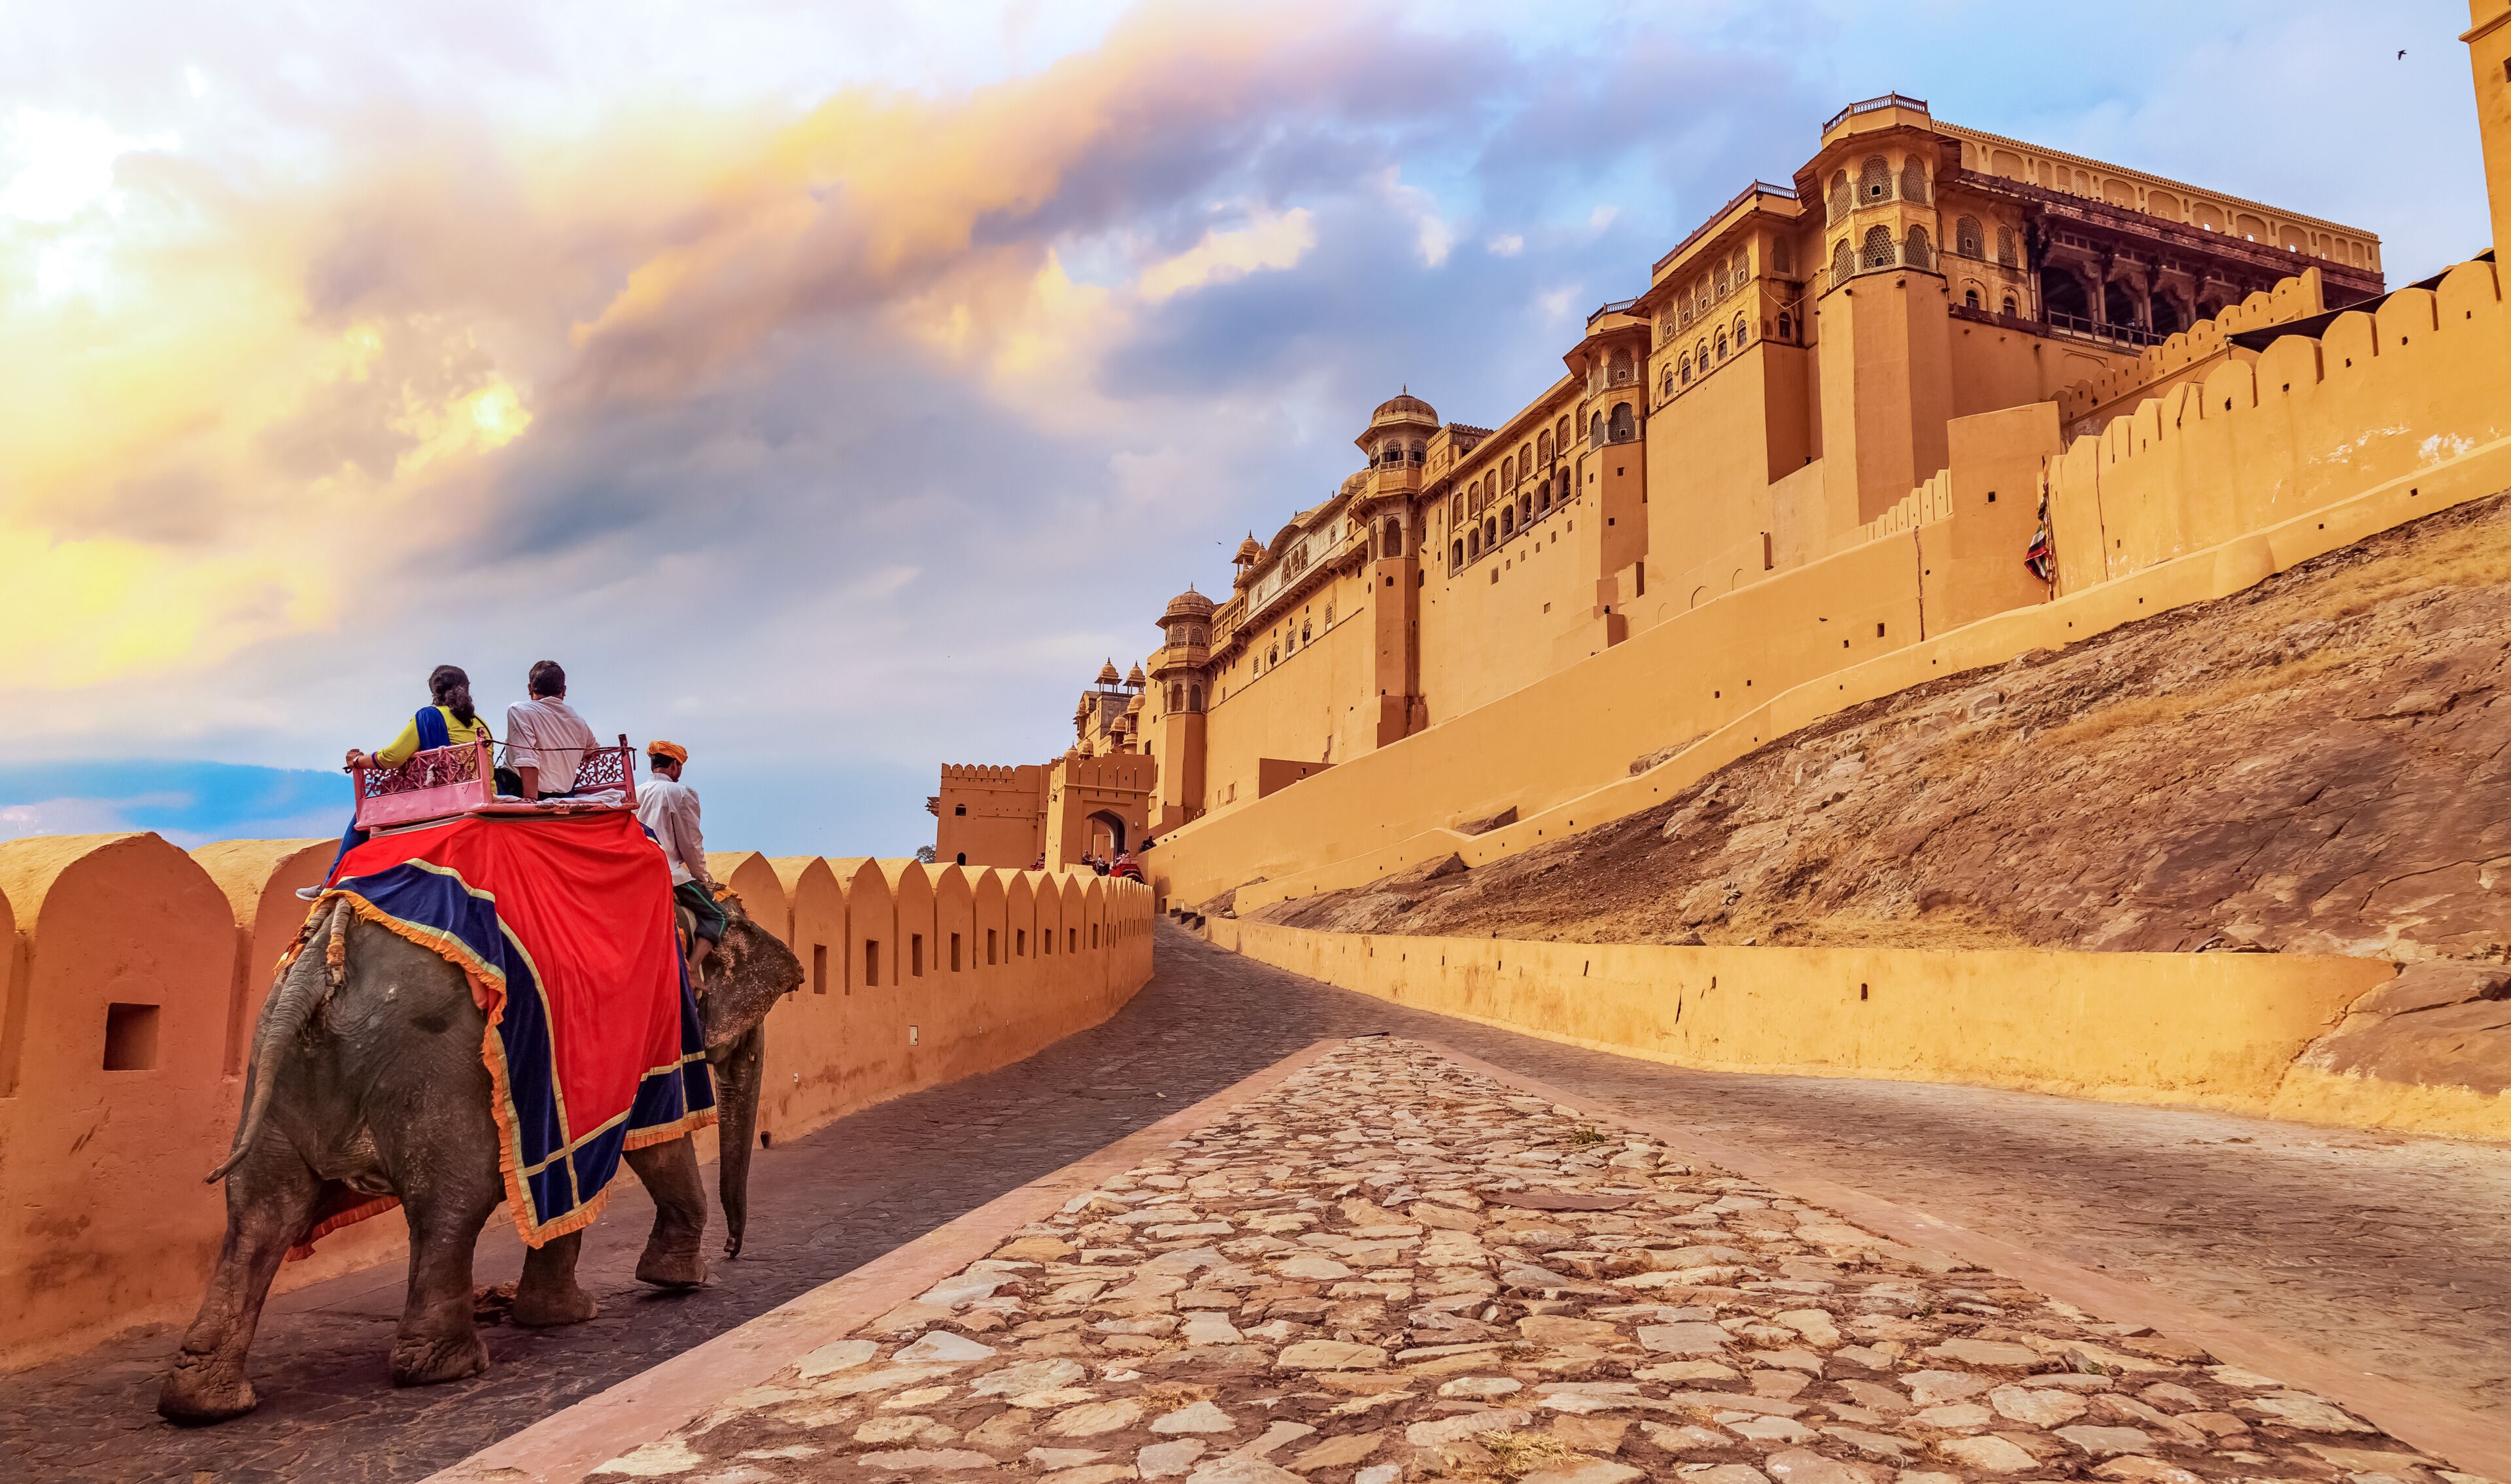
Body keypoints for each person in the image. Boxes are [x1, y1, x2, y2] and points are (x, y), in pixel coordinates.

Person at [305, 665, 493, 896]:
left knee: (364, 815)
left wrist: (357, 761)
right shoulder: (480, 723)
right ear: (466, 688)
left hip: (445, 798)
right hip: (484, 794)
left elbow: (392, 757)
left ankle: (332, 881)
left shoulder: (428, 716)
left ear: (434, 692)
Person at [638, 740, 724, 979]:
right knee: (718, 915)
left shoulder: (634, 792)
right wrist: (702, 878)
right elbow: (691, 843)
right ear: (675, 765)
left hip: (635, 871)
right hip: (668, 872)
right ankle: (693, 969)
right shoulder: (682, 793)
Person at [500, 660, 598, 800]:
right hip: (566, 793)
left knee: (494, 777)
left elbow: (527, 759)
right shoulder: (578, 720)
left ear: (530, 688)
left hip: (523, 791)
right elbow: (592, 751)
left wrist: (531, 802)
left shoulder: (520, 710)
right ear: (564, 690)